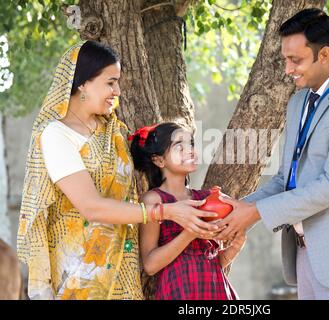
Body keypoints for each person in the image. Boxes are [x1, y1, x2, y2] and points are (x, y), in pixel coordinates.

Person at [16, 41, 219, 300]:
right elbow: (91, 206)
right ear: (82, 84)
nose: (118, 91)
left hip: (123, 272)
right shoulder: (57, 135)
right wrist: (166, 211)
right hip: (81, 275)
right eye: (110, 82)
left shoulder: (116, 133)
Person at [215, 9, 329, 299]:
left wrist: (255, 213)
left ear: (324, 55)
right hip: (303, 255)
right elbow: (287, 178)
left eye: (295, 60)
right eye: (286, 59)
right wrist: (238, 208)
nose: (288, 69)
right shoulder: (298, 103)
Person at [131, 122, 245, 300]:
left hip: (215, 289)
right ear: (159, 160)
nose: (190, 150)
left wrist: (234, 248)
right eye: (179, 146)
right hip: (179, 290)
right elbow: (150, 265)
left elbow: (215, 261)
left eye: (191, 144)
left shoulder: (206, 198)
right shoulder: (154, 200)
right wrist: (190, 233)